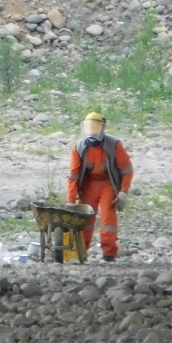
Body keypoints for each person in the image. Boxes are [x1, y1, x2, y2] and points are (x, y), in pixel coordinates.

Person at [67, 112, 133, 262]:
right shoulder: (79, 147)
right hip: (89, 184)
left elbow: (127, 170)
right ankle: (80, 252)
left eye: (95, 127)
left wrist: (123, 192)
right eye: (89, 127)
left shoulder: (114, 145)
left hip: (107, 183)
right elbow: (74, 175)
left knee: (108, 218)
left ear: (103, 128)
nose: (92, 131)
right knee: (85, 217)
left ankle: (109, 253)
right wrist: (71, 200)